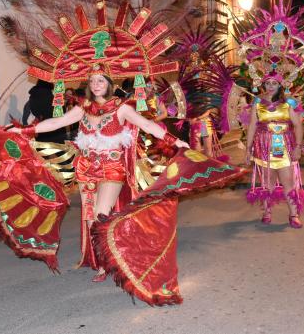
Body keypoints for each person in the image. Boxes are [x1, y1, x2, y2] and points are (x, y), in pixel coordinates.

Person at [10, 73, 189, 281]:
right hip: (86, 168)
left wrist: (175, 141)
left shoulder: (121, 108)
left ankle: (113, 259)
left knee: (100, 214)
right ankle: (102, 261)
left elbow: (147, 125)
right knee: (89, 219)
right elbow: (55, 123)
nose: (96, 85)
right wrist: (23, 130)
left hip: (112, 168)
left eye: (101, 81)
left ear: (110, 84)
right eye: (93, 81)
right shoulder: (83, 107)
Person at [245, 72, 304, 228]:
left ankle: (294, 214)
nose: (270, 86)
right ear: (263, 85)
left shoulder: (288, 102)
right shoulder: (258, 102)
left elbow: (298, 125)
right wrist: (248, 148)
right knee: (267, 183)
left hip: (284, 146)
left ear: (280, 85)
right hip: (263, 145)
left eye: (274, 83)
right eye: (268, 83)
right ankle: (267, 212)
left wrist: (298, 147)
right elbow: (252, 126)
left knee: (288, 183)